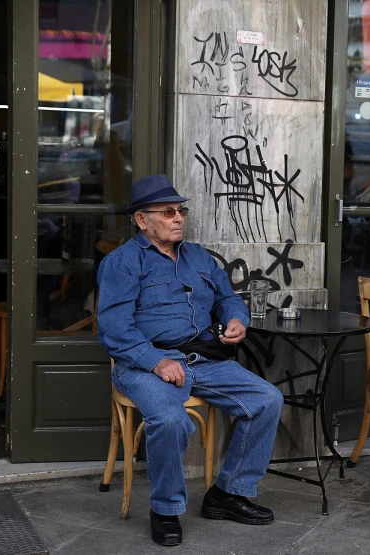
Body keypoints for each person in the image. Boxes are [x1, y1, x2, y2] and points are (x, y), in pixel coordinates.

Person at [97, 174, 284, 546]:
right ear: (142, 219)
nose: (178, 217)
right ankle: (165, 509)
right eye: (168, 212)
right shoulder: (123, 262)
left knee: (266, 400)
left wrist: (236, 319)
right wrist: (155, 361)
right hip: (145, 364)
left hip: (202, 358)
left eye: (180, 210)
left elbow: (226, 297)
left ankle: (226, 493)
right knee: (169, 419)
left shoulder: (198, 255)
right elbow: (114, 329)